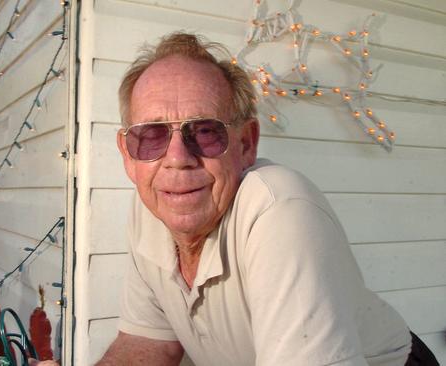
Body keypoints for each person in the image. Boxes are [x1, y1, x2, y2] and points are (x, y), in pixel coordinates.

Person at [92, 32, 439, 366]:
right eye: (151, 136)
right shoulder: (149, 209)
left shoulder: (280, 211)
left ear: (246, 144)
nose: (178, 157)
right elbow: (148, 342)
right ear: (127, 154)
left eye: (205, 131)